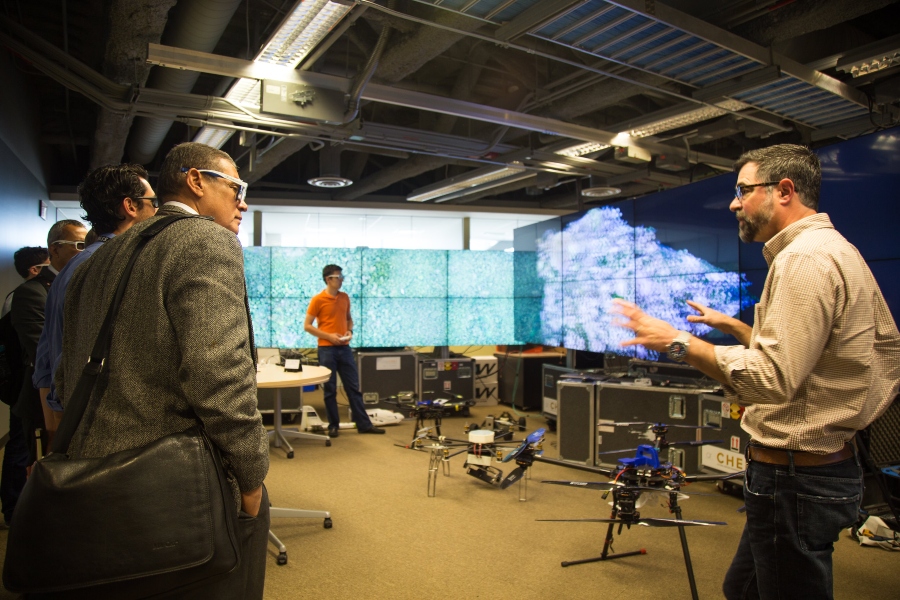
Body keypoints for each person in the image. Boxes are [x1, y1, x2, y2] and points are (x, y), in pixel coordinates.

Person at [612, 144, 900, 600]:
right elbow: (811, 359)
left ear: (784, 190)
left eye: (743, 190)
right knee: (740, 589)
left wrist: (678, 342)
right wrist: (734, 327)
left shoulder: (805, 261)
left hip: (796, 479)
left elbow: (773, 378)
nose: (733, 202)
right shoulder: (829, 250)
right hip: (802, 473)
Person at [56, 142, 269, 599]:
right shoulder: (204, 239)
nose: (242, 202)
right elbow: (219, 374)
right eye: (236, 187)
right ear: (196, 181)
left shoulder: (95, 259)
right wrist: (251, 478)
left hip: (91, 480)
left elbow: (65, 372)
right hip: (173, 487)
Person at [33, 163, 157, 441]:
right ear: (130, 206)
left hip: (74, 416)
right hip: (99, 424)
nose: (157, 211)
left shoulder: (74, 266)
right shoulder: (109, 266)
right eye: (153, 202)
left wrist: (55, 422)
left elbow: (46, 356)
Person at [10, 220, 86, 466]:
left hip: (66, 392)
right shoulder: (32, 291)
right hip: (42, 396)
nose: (84, 251)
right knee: (28, 462)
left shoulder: (77, 283)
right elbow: (41, 347)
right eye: (78, 245)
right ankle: (14, 506)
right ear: (54, 249)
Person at [304, 265, 385, 437]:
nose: (341, 280)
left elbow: (349, 319)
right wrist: (328, 336)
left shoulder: (344, 297)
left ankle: (363, 424)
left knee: (353, 387)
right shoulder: (318, 300)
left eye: (342, 277)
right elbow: (308, 326)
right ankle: (334, 425)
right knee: (330, 389)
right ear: (328, 279)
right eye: (338, 277)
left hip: (344, 348)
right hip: (326, 349)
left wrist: (350, 332)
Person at [0, 247, 50, 526]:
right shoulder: (22, 297)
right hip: (23, 383)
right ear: (35, 270)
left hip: (28, 381)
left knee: (24, 445)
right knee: (20, 446)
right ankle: (13, 509)